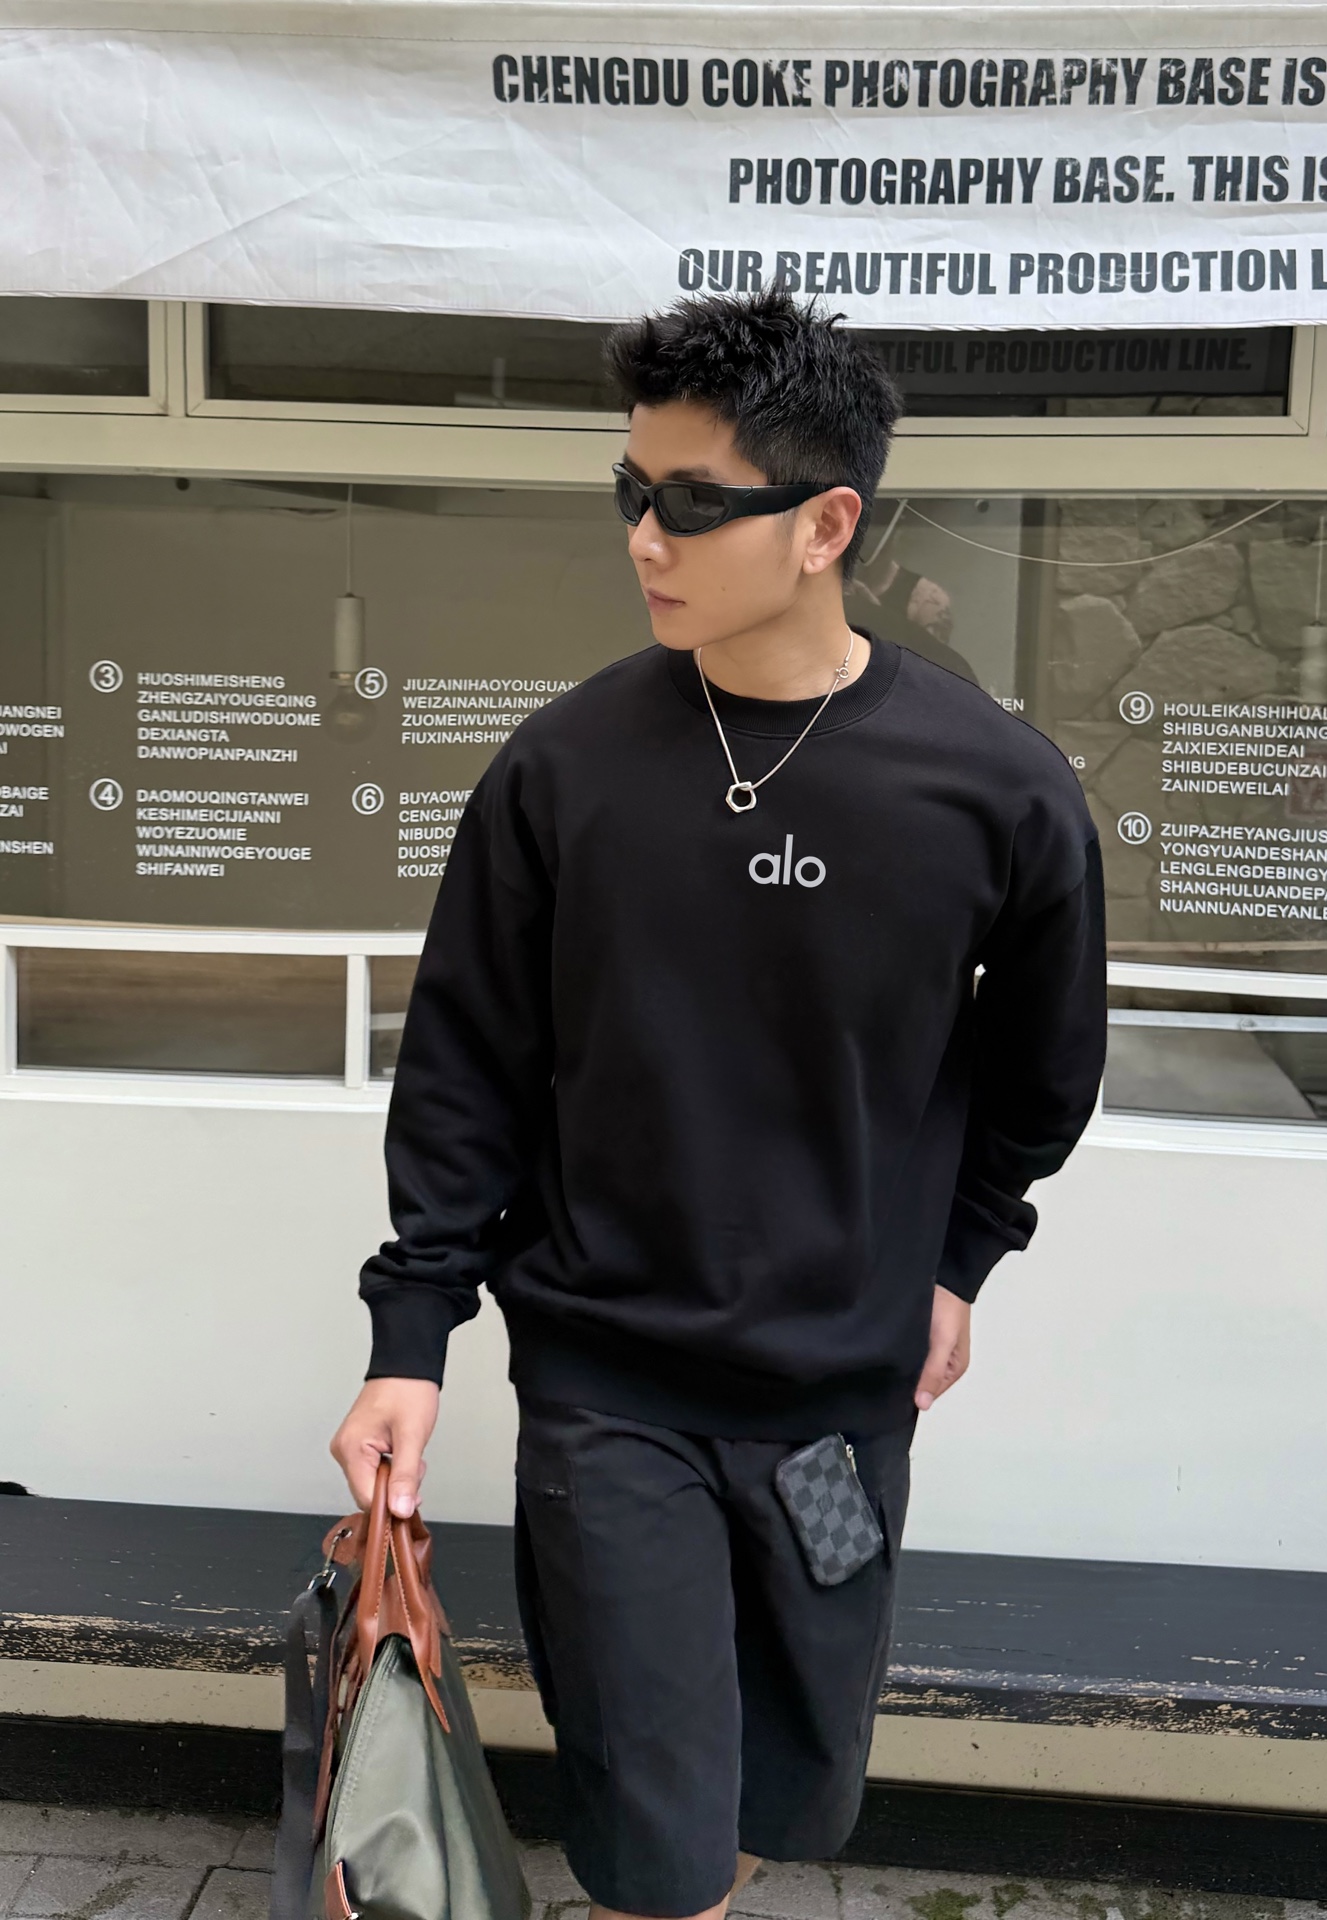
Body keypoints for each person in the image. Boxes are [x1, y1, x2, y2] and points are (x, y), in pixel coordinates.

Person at [331, 288, 1107, 1920]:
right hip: (613, 1391)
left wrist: (961, 1259)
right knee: (658, 1836)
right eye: (633, 491)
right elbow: (467, 1062)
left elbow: (1045, 1067)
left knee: (777, 1787)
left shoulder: (994, 787)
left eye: (691, 501)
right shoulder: (564, 771)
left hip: (840, 1404)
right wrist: (412, 1337)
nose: (645, 536)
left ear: (828, 524)